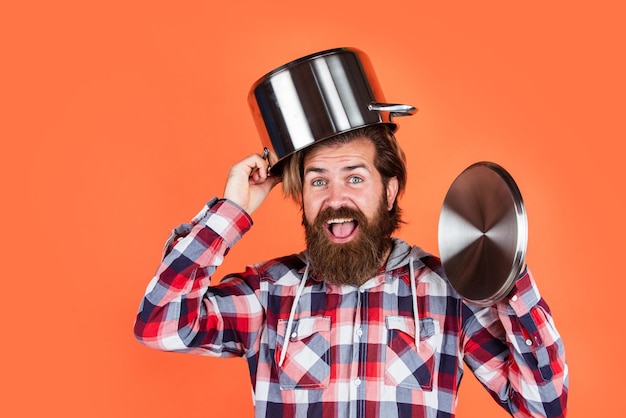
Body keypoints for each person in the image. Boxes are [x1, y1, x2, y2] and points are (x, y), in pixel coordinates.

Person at [134, 124, 568, 417]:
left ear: (390, 189)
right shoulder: (269, 292)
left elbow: (542, 407)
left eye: (355, 178)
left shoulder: (447, 292)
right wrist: (231, 212)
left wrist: (503, 271)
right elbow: (160, 324)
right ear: (301, 196)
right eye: (318, 180)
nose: (335, 197)